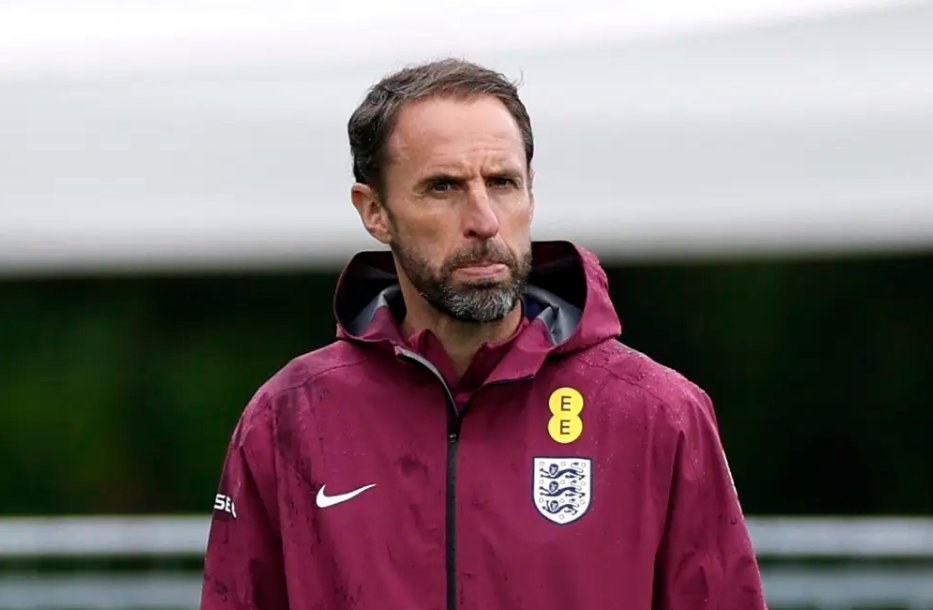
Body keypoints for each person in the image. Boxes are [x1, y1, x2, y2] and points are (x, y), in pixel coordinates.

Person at [199, 58, 767, 610]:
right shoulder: (290, 418)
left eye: (502, 183)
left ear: (530, 193)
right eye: (443, 187)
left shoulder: (657, 414)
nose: (484, 220)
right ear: (374, 211)